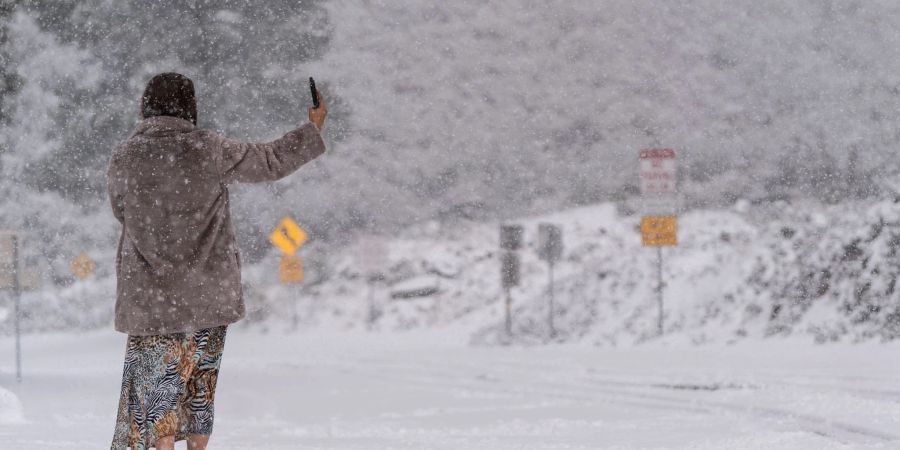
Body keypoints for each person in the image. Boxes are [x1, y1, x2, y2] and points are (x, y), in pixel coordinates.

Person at [107, 72, 327, 450]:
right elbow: (271, 161)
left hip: (151, 300)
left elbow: (121, 210)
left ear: (146, 105)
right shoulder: (208, 148)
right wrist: (312, 127)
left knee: (157, 387)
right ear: (189, 106)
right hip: (207, 296)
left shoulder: (126, 155)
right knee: (199, 386)